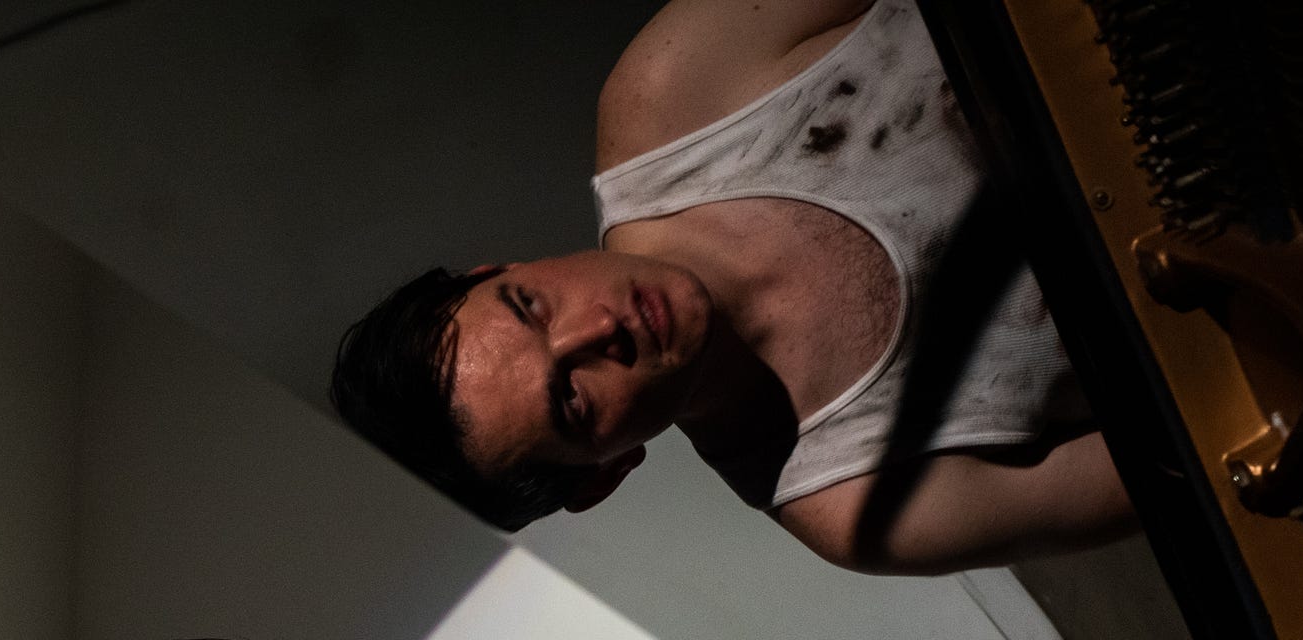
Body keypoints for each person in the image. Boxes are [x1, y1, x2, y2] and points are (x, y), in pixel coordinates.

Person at [333, 0, 1138, 577]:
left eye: (530, 307)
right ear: (603, 476)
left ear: (499, 269)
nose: (597, 331)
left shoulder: (672, 96)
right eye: (571, 399)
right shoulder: (859, 495)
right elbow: (1184, 462)